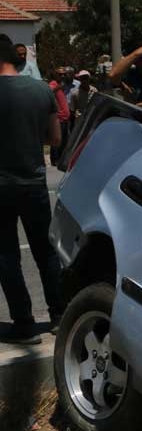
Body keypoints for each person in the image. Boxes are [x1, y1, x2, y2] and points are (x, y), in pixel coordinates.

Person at [0, 36, 63, 344]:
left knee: (6, 255)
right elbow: (55, 139)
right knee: (45, 251)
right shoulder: (42, 90)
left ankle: (24, 324)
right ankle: (59, 317)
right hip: (34, 182)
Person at [46, 75, 70, 164]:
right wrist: (59, 87)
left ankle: (60, 158)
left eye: (64, 74)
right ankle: (55, 159)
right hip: (59, 118)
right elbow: (48, 91)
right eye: (61, 74)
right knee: (57, 141)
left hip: (65, 118)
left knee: (64, 141)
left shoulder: (61, 86)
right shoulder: (53, 84)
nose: (63, 76)